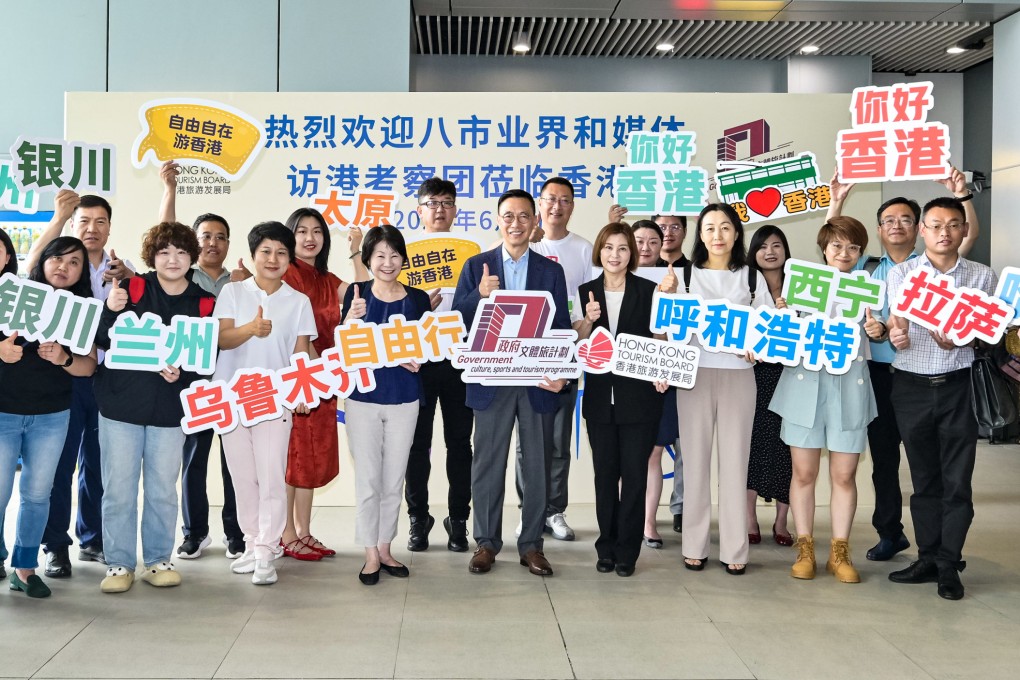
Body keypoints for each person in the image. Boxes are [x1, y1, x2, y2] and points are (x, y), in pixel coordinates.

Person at [825, 167, 978, 562]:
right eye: (888, 220)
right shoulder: (868, 267)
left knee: (930, 464)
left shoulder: (933, 262)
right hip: (875, 374)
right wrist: (837, 201)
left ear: (920, 229)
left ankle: (941, 549)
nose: (896, 225)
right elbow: (832, 252)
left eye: (906, 219)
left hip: (927, 374)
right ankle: (890, 532)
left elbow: (968, 236)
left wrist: (961, 197)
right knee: (884, 460)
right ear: (878, 230)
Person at [93, 222, 215, 593]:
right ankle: (118, 564)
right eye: (164, 252)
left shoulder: (203, 301)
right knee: (119, 489)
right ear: (153, 257)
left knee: (163, 488)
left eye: (181, 252)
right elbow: (98, 340)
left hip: (169, 410)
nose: (173, 259)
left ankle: (158, 559)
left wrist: (183, 371)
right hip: (120, 405)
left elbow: (207, 360)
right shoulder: (131, 289)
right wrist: (109, 310)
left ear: (192, 257)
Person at [454, 189, 570, 577]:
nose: (516, 223)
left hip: (537, 381)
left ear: (535, 222)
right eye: (508, 216)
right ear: (497, 221)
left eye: (524, 217)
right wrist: (477, 295)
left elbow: (560, 328)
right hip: (491, 380)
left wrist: (562, 374)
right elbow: (456, 322)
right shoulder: (477, 266)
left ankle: (532, 545)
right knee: (487, 462)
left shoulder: (550, 270)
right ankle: (486, 543)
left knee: (536, 464)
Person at [886, 197, 997, 601]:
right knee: (923, 480)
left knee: (957, 480)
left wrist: (965, 336)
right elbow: (896, 326)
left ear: (964, 230)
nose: (944, 232)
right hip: (911, 386)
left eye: (953, 224)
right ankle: (928, 556)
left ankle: (950, 563)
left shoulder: (982, 277)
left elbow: (993, 334)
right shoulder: (900, 274)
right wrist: (895, 335)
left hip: (959, 385)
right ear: (922, 231)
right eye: (935, 225)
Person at [26, 191, 133, 579]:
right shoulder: (56, 267)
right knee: (59, 466)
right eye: (84, 221)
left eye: (100, 221)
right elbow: (28, 270)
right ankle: (55, 546)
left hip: (107, 378)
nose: (92, 228)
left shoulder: (122, 268)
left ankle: (93, 538)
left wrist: (127, 282)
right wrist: (57, 217)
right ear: (73, 224)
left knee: (99, 464)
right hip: (63, 378)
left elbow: (133, 319)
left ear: (109, 227)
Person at [769, 217, 883, 583]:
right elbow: (782, 333)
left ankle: (840, 550)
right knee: (804, 473)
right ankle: (805, 547)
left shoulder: (870, 288)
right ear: (824, 249)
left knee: (844, 474)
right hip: (805, 384)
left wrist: (876, 329)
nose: (844, 253)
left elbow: (880, 329)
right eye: (836, 246)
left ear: (862, 252)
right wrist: (782, 315)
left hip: (850, 385)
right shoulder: (804, 284)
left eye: (853, 247)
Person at [213, 222, 317, 586]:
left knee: (272, 475)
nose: (273, 259)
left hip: (275, 398)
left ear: (290, 259)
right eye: (266, 252)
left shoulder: (298, 301)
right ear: (253, 255)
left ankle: (267, 550)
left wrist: (303, 392)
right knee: (242, 478)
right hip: (230, 397)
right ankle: (255, 543)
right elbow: (222, 340)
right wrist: (250, 330)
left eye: (281, 253)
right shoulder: (232, 292)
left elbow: (300, 351)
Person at [676, 203, 773, 575]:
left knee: (735, 463)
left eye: (726, 228)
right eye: (710, 228)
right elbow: (667, 327)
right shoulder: (684, 276)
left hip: (738, 375)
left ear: (737, 233)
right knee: (695, 462)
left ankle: (735, 549)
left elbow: (766, 328)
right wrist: (666, 295)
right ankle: (694, 545)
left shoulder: (751, 278)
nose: (718, 236)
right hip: (694, 375)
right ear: (700, 235)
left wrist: (758, 346)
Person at [0, 237, 98, 597]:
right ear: (41, 261)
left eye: (74, 262)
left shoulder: (82, 310)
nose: (63, 267)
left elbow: (88, 367)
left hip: (52, 416)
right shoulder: (16, 294)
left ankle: (24, 569)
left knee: (38, 494)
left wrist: (64, 360)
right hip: (4, 412)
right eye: (56, 258)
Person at [158, 160, 245, 560]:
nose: (213, 243)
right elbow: (165, 236)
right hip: (191, 381)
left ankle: (236, 532)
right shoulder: (180, 276)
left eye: (221, 237)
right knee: (193, 459)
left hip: (229, 382)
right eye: (205, 236)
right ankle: (194, 532)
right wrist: (170, 192)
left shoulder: (240, 283)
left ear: (229, 244)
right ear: (194, 242)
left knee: (234, 461)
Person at [575, 223, 671, 576]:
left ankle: (628, 551)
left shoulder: (649, 290)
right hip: (600, 398)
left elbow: (660, 337)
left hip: (640, 398)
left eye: (622, 248)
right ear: (599, 251)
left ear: (632, 254)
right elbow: (575, 340)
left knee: (634, 476)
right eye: (608, 248)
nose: (614, 255)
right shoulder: (586, 291)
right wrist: (587, 320)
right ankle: (606, 546)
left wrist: (663, 370)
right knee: (604, 476)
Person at [342, 225, 429, 585]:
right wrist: (350, 319)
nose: (388, 262)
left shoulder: (418, 298)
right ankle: (369, 554)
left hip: (404, 398)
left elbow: (429, 344)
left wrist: (421, 356)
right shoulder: (356, 294)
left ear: (403, 258)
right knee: (368, 480)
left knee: (394, 479)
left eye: (394, 255)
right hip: (362, 399)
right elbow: (343, 348)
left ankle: (385, 546)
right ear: (368, 259)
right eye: (379, 255)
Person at [279, 208, 364, 561]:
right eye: (301, 231)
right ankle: (285, 533)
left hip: (323, 377)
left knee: (309, 456)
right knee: (292, 456)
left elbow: (364, 293)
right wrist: (312, 374)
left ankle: (303, 530)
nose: (310, 238)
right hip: (299, 375)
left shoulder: (326, 279)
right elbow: (295, 330)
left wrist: (356, 249)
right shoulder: (286, 273)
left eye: (317, 231)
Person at [514, 177, 592, 542]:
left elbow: (593, 304)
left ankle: (553, 510)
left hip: (565, 353)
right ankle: (528, 510)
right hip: (522, 356)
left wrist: (583, 330)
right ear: (538, 206)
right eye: (549, 199)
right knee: (524, 442)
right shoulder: (519, 245)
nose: (556, 206)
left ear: (572, 206)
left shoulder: (583, 250)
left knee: (559, 440)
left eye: (564, 200)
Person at [405, 178, 475, 553]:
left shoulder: (471, 252)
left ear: (455, 209)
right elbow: (391, 308)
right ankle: (418, 518)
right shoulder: (404, 252)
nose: (439, 209)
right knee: (417, 446)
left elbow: (482, 307)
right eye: (432, 203)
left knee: (460, 444)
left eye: (447, 203)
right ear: (419, 210)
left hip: (459, 359)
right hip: (417, 362)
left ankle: (458, 519)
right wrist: (419, 310)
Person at [630, 220, 680, 547]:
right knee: (624, 454)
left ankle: (648, 523)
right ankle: (626, 519)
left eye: (652, 241)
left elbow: (677, 332)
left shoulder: (674, 281)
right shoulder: (612, 278)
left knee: (653, 454)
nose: (645, 247)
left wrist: (670, 296)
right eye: (638, 241)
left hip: (661, 377)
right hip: (623, 378)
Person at [745, 225, 794, 546]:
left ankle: (781, 521)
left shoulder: (802, 285)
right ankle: (749, 519)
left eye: (777, 245)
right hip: (754, 374)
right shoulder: (745, 283)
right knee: (752, 445)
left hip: (793, 376)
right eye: (763, 246)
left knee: (788, 448)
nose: (770, 251)